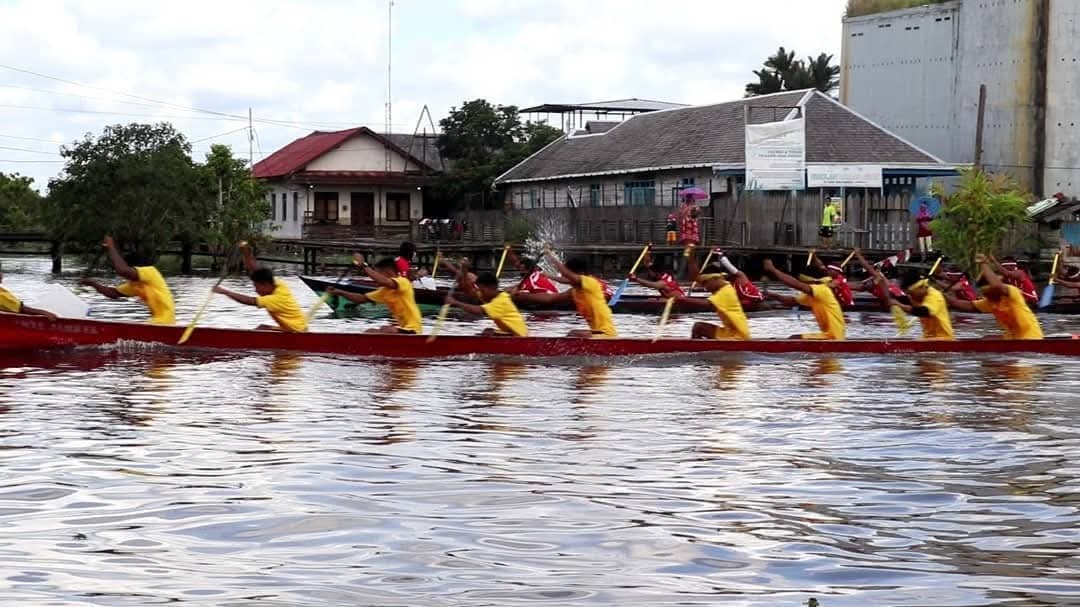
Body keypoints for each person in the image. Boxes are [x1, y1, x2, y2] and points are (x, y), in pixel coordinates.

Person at [513, 253, 616, 338]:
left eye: (569, 275)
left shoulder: (591, 283)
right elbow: (550, 298)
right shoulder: (574, 292)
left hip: (606, 334)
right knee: (573, 333)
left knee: (573, 334)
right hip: (597, 333)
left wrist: (550, 256)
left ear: (580, 273)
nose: (565, 278)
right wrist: (525, 296)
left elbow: (567, 275)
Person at [80, 236, 175, 325]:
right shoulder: (135, 285)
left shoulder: (150, 272)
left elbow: (123, 270)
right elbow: (113, 293)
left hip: (164, 322)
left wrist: (111, 246)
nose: (126, 276)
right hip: (156, 321)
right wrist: (93, 283)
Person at [212, 243, 307, 332]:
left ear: (265, 284)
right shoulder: (278, 284)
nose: (256, 290)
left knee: (261, 330)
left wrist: (226, 292)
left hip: (296, 332)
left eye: (257, 287)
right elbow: (255, 269)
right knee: (262, 328)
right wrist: (247, 254)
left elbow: (250, 301)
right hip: (292, 327)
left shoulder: (275, 299)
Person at [946, 255, 1043, 339]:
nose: (986, 295)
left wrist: (983, 264)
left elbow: (997, 285)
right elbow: (961, 304)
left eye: (988, 291)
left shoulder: (1012, 292)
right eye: (984, 293)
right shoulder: (989, 302)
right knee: (986, 339)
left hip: (1031, 336)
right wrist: (943, 296)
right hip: (1013, 338)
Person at [328, 255, 423, 334]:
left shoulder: (403, 282)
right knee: (370, 331)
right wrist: (340, 292)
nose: (374, 278)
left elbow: (383, 281)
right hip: (401, 330)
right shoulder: (383, 291)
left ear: (388, 272)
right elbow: (361, 298)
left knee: (386, 329)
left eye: (378, 273)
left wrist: (364, 265)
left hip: (413, 329)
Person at [762, 259, 846, 340]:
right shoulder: (813, 295)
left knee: (794, 338)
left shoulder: (822, 290)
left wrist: (773, 270)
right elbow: (792, 301)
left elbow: (796, 284)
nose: (804, 283)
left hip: (832, 337)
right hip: (831, 335)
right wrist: (773, 296)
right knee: (793, 338)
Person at [675, 264, 750, 340]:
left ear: (715, 279)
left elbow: (708, 304)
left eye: (705, 283)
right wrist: (690, 258)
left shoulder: (726, 291)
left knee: (698, 327)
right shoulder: (723, 286)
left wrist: (683, 299)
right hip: (729, 332)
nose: (705, 288)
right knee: (699, 327)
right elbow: (696, 277)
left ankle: (695, 347)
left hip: (738, 336)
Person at [446, 271, 527, 336]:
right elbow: (469, 291)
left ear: (492, 287)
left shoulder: (501, 301)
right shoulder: (488, 295)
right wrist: (464, 270)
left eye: (482, 291)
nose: (481, 293)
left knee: (488, 332)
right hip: (510, 333)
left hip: (519, 336)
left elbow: (478, 310)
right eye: (480, 290)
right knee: (487, 332)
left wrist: (455, 302)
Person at [891, 270, 954, 340]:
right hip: (928, 338)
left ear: (920, 287)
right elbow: (904, 300)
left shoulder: (935, 296)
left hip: (944, 339)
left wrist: (901, 305)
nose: (910, 297)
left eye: (911, 294)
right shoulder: (917, 296)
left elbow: (925, 311)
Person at [695, 250, 764, 309]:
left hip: (753, 301)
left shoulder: (740, 277)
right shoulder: (725, 284)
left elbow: (731, 268)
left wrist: (721, 256)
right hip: (741, 303)